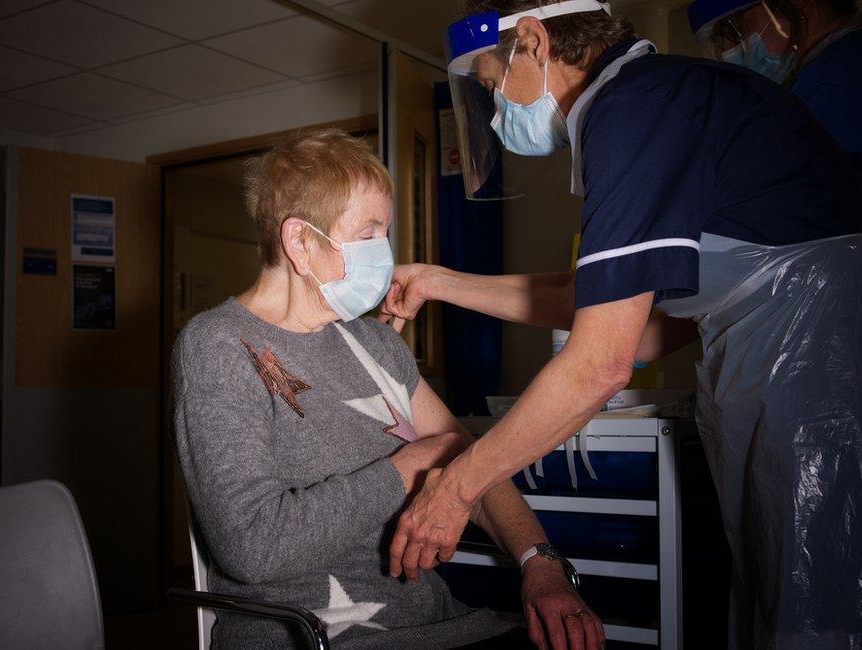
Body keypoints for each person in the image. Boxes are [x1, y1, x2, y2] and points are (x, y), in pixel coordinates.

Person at [379, 1, 862, 649]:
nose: (496, 112)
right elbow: (602, 306)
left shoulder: (632, 113)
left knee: (828, 612)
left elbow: (601, 363)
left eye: (492, 86)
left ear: (535, 41)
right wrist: (434, 281)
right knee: (790, 598)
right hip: (793, 352)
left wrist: (457, 489)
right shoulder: (661, 96)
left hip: (815, 372)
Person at [172, 129, 604, 650]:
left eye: (386, 232)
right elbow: (253, 548)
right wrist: (409, 467)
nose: (385, 252)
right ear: (299, 242)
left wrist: (540, 563)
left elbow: (469, 463)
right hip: (310, 635)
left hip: (438, 622)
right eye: (369, 232)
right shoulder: (217, 345)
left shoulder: (374, 343)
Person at [687, 3, 862, 644]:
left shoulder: (843, 79)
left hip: (840, 349)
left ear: (789, 8)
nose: (731, 50)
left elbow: (802, 237)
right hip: (857, 339)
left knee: (827, 566)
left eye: (735, 31)